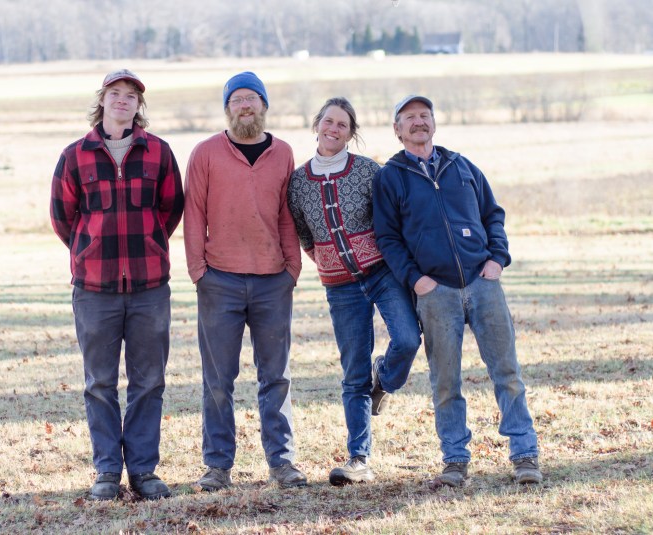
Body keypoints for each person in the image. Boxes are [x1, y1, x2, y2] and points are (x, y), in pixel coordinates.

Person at [372, 94, 542, 487]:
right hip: (436, 293)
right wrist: (416, 280)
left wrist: (497, 259)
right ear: (397, 130)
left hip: (483, 284)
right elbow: (387, 238)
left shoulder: (461, 166)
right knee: (446, 382)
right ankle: (454, 460)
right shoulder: (390, 177)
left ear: (434, 123)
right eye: (409, 117)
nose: (419, 122)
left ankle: (525, 455)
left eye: (424, 115)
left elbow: (492, 215)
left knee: (507, 373)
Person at [50, 69, 184, 500]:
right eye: (115, 93)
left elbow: (170, 210)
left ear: (138, 106)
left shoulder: (159, 153)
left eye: (131, 95)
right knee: (100, 384)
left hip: (149, 288)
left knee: (149, 382)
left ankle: (143, 471)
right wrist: (89, 248)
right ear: (102, 100)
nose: (122, 100)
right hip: (94, 290)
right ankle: (107, 471)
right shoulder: (75, 156)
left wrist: (146, 243)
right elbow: (62, 216)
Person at [183, 71, 307, 491]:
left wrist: (292, 267)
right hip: (220, 280)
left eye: (253, 98)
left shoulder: (283, 153)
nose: (245, 105)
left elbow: (287, 215)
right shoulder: (206, 153)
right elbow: (193, 214)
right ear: (227, 108)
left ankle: (283, 463)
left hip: (273, 281)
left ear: (265, 106)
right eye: (237, 99)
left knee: (276, 377)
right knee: (218, 379)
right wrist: (199, 271)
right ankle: (217, 465)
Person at [287, 97, 420, 486]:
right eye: (328, 121)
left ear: (351, 132)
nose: (333, 129)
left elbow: (389, 218)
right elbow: (302, 232)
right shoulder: (297, 181)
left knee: (409, 339)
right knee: (353, 375)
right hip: (340, 287)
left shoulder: (367, 171)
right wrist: (328, 260)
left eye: (342, 124)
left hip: (381, 274)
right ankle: (359, 458)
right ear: (317, 125)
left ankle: (387, 378)